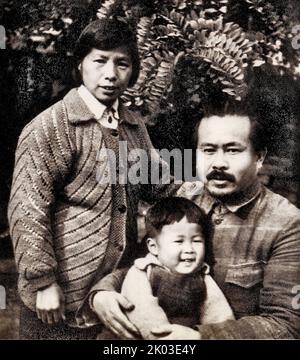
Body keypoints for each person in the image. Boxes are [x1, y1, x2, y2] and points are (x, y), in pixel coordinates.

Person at [7, 17, 181, 340]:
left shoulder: (133, 127)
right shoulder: (51, 127)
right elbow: (27, 208)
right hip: (57, 303)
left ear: (133, 71)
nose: (111, 74)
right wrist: (43, 281)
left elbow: (164, 185)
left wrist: (210, 190)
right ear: (80, 65)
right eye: (99, 61)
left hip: (114, 300)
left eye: (122, 64)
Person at [91, 103, 300, 339]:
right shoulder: (183, 198)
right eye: (208, 150)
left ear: (259, 157)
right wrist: (103, 293)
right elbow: (145, 262)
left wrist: (201, 338)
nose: (218, 163)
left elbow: (287, 325)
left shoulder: (287, 224)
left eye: (232, 150)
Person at [97, 197, 234, 339]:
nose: (189, 249)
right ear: (153, 247)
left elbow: (218, 311)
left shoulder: (202, 276)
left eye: (196, 241)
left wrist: (219, 334)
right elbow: (144, 314)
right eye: (179, 241)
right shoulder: (143, 272)